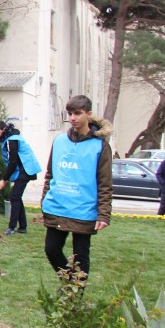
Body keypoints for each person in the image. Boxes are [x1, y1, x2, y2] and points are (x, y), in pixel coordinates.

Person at [40, 95, 112, 280]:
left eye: (78, 113)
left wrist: (103, 213)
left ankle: (76, 294)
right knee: (51, 250)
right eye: (70, 113)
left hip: (83, 209)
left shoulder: (100, 146)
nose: (73, 118)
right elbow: (50, 174)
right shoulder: (59, 141)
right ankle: (70, 282)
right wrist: (45, 199)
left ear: (88, 115)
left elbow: (104, 182)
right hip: (58, 206)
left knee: (80, 256)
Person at [0, 120, 41, 235]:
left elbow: (12, 162)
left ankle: (11, 227)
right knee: (16, 196)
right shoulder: (13, 136)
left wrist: (4, 179)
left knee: (14, 196)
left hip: (26, 170)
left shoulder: (12, 140)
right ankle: (22, 227)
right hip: (25, 170)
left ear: (4, 130)